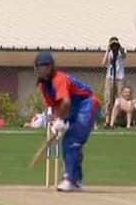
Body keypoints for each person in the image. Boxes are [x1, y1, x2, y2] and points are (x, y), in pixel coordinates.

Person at [36, 51, 100, 192]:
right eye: (40, 67)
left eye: (45, 66)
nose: (42, 69)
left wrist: (61, 119)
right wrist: (54, 122)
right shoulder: (43, 86)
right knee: (71, 143)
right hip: (72, 109)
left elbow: (65, 102)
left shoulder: (59, 79)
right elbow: (54, 106)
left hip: (86, 104)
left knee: (72, 140)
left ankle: (70, 180)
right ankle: (75, 180)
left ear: (51, 66)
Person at [102, 37, 126, 127]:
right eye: (113, 44)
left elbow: (124, 56)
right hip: (110, 77)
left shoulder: (121, 52)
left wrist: (120, 48)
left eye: (116, 44)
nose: (114, 46)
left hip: (120, 77)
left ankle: (115, 119)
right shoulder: (109, 53)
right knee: (108, 98)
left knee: (119, 99)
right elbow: (103, 63)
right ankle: (107, 119)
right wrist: (107, 51)